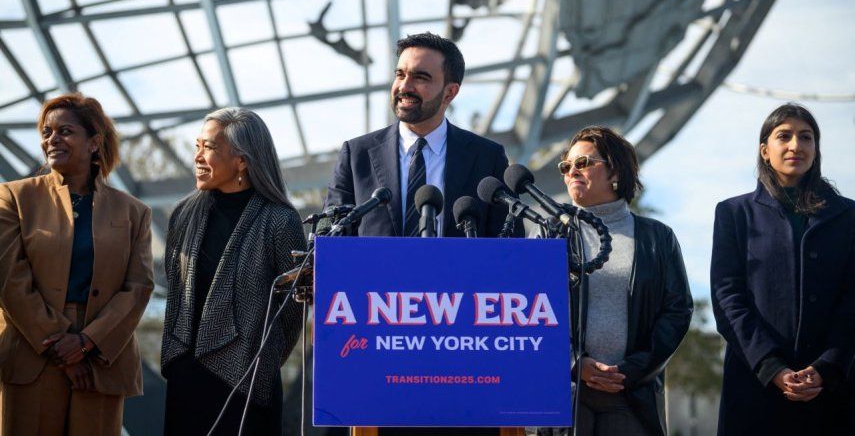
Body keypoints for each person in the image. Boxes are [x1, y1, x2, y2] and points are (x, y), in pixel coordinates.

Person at [0, 93, 154, 436]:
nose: (51, 140)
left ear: (94, 142)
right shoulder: (13, 197)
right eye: (46, 132)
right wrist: (58, 343)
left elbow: (138, 287)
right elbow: (9, 279)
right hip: (32, 353)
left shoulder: (134, 212)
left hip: (101, 358)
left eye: (64, 131)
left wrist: (86, 342)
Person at [711, 103, 855, 435]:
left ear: (816, 150)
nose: (796, 146)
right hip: (754, 388)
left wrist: (825, 367)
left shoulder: (848, 217)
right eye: (784, 136)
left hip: (831, 392)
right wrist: (772, 367)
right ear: (765, 150)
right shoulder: (734, 213)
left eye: (806, 137)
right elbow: (727, 298)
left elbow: (853, 301)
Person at [539, 126, 693, 436]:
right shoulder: (549, 233)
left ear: (615, 171)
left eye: (583, 163)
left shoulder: (657, 238)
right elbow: (533, 313)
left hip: (631, 394)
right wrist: (574, 363)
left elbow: (677, 311)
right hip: (566, 395)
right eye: (566, 166)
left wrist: (633, 368)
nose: (572, 172)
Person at [160, 107, 305, 436]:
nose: (198, 156)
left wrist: (258, 358)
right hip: (186, 377)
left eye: (208, 148)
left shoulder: (280, 220)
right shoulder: (183, 214)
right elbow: (176, 293)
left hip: (248, 381)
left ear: (242, 160)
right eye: (197, 145)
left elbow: (291, 313)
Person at [326, 31, 513, 238]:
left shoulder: (487, 158)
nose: (404, 86)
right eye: (400, 74)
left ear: (449, 92)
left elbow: (508, 247)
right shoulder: (356, 155)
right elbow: (331, 242)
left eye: (420, 77)